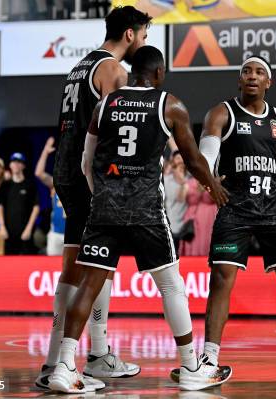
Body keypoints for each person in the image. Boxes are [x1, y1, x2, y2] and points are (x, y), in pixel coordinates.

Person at [48, 46, 231, 394]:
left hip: (104, 209)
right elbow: (192, 160)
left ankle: (65, 365)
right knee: (172, 286)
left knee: (89, 283)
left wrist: (101, 194)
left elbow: (87, 162)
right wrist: (213, 186)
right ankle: (192, 366)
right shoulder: (169, 104)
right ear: (159, 73)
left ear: (132, 71)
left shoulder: (105, 105)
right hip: (146, 210)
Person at [181, 56, 276, 385]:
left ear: (269, 82)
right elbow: (206, 157)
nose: (252, 76)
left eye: (259, 72)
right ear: (239, 80)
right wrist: (211, 181)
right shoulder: (221, 113)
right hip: (235, 211)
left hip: (275, 212)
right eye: (246, 71)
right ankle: (209, 357)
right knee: (222, 279)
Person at [37, 6, 152, 389]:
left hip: (65, 173)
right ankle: (95, 356)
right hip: (91, 179)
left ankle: (54, 361)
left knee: (74, 268)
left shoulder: (79, 67)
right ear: (131, 35)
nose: (146, 43)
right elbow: (122, 130)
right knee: (98, 266)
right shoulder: (112, 71)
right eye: (145, 35)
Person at [0, 152, 40, 255]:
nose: (16, 164)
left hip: (25, 232)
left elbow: (36, 207)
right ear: (10, 165)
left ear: (23, 166)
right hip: (8, 232)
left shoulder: (30, 184)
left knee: (28, 265)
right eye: (14, 162)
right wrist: (1, 226)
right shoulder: (5, 185)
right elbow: (0, 206)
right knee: (9, 266)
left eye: (19, 162)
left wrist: (29, 229)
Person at [35, 137, 65, 256]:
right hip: (56, 234)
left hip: (75, 235)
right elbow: (39, 173)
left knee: (74, 270)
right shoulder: (56, 184)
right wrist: (45, 152)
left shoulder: (79, 185)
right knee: (53, 268)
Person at [164, 150, 188, 252]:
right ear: (173, 161)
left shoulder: (190, 177)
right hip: (172, 222)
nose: (180, 161)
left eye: (182, 158)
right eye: (178, 158)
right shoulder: (167, 179)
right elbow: (178, 198)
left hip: (188, 223)